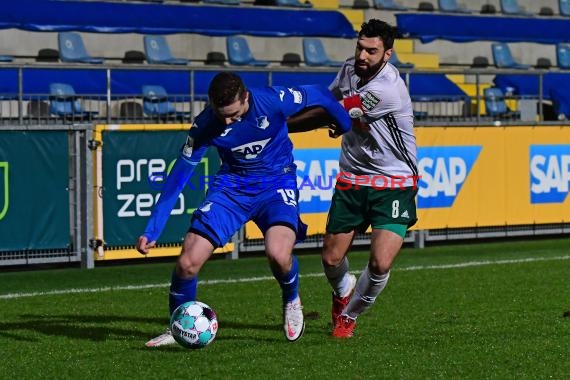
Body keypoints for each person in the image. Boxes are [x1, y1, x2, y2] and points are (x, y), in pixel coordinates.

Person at [136, 72, 352, 346]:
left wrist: (343, 124)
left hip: (276, 183)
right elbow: (179, 175)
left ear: (246, 98)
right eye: (221, 115)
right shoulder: (205, 125)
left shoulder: (272, 100)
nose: (227, 121)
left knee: (277, 254)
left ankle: (291, 299)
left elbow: (320, 93)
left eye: (234, 114)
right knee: (187, 263)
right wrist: (154, 227)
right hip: (231, 188)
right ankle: (179, 326)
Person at [321, 19, 418, 338]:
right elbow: (329, 100)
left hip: (394, 182)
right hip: (352, 178)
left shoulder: (388, 88)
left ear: (387, 54)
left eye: (371, 51)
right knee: (331, 258)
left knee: (379, 263)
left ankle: (348, 317)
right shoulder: (350, 68)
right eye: (360, 47)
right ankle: (341, 292)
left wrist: (282, 120)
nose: (362, 56)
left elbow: (334, 112)